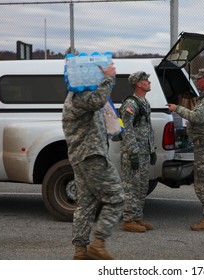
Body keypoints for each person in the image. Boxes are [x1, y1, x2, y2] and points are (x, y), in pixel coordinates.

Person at [62, 63, 124, 260]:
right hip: (91, 156)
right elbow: (98, 100)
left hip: (83, 157)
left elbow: (100, 106)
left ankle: (80, 251)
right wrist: (108, 78)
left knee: (86, 204)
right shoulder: (81, 98)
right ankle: (98, 244)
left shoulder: (79, 97)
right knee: (116, 197)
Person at [167, 67, 204, 231]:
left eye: (198, 79)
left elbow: (198, 117)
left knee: (202, 181)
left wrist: (177, 108)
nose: (196, 81)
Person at [120, 71, 156, 233]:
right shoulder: (131, 104)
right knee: (132, 186)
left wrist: (152, 149)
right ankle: (128, 220)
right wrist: (133, 152)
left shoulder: (144, 102)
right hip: (133, 153)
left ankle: (137, 217)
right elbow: (126, 130)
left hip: (144, 151)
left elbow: (147, 128)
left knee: (142, 186)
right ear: (138, 84)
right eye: (146, 80)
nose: (149, 82)